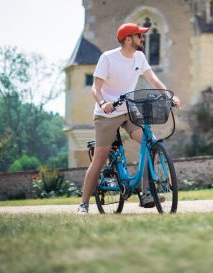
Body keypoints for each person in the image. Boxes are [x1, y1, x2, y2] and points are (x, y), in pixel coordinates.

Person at [77, 22, 180, 214]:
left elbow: (153, 80)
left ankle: (147, 192)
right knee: (99, 158)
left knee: (149, 143)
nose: (143, 39)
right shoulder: (108, 58)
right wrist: (103, 104)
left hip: (129, 111)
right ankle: (83, 204)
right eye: (139, 36)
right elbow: (95, 88)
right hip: (106, 113)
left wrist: (169, 95)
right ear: (128, 39)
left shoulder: (139, 57)